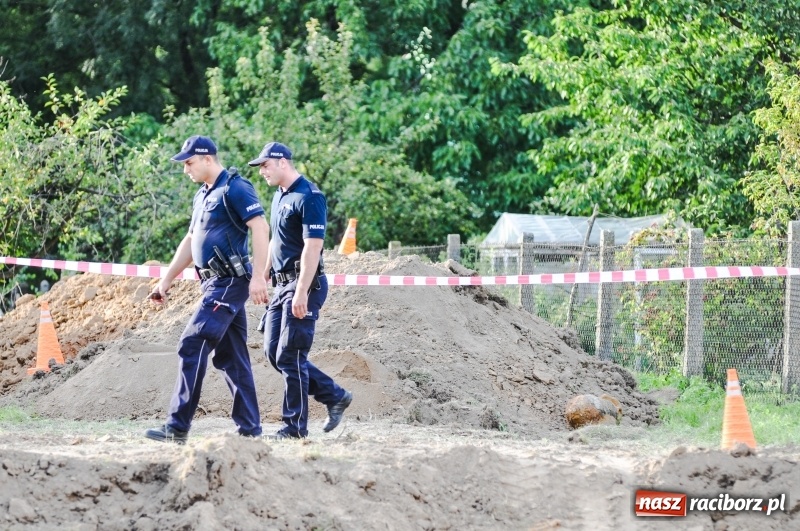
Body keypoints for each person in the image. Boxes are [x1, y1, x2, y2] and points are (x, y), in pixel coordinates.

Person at [145, 135, 270, 444]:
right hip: (213, 283)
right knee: (232, 356)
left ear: (207, 159)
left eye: (189, 162)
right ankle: (250, 430)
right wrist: (166, 279)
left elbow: (260, 227)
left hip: (230, 283)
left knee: (192, 342)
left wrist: (259, 278)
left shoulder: (235, 188)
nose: (185, 169)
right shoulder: (203, 194)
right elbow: (190, 240)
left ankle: (177, 427)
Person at [249, 141, 352, 439]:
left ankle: (293, 428)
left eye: (265, 165)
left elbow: (313, 247)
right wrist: (264, 273)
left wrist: (302, 291)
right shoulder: (279, 197)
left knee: (290, 354)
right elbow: (276, 241)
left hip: (304, 284)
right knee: (274, 352)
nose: (262, 172)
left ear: (282, 162)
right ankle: (334, 396)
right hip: (282, 285)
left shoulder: (310, 196)